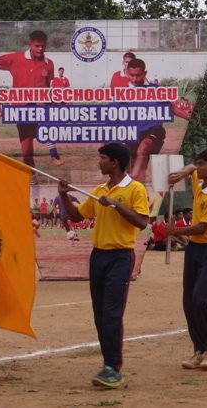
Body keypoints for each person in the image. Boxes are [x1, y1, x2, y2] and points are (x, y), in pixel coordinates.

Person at [57, 142, 149, 388]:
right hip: (98, 256)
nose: (99, 162)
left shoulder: (135, 189)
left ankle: (113, 368)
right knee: (100, 315)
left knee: (111, 313)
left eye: (103, 158)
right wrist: (63, 195)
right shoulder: (99, 191)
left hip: (121, 257)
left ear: (115, 163)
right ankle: (108, 364)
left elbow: (142, 222)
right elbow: (76, 216)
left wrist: (116, 204)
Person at [165, 149, 207, 371]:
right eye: (198, 164)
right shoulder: (200, 186)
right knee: (189, 302)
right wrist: (184, 171)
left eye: (202, 164)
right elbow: (191, 169)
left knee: (202, 299)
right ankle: (199, 350)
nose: (198, 167)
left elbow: (202, 228)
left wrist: (175, 231)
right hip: (194, 249)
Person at [0, 24, 64, 169]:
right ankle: (32, 177)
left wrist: (54, 104)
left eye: (43, 46)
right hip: (21, 109)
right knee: (27, 151)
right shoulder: (16, 59)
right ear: (30, 44)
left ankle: (54, 154)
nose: (40, 49)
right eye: (37, 46)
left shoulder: (49, 64)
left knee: (47, 125)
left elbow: (48, 88)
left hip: (40, 106)